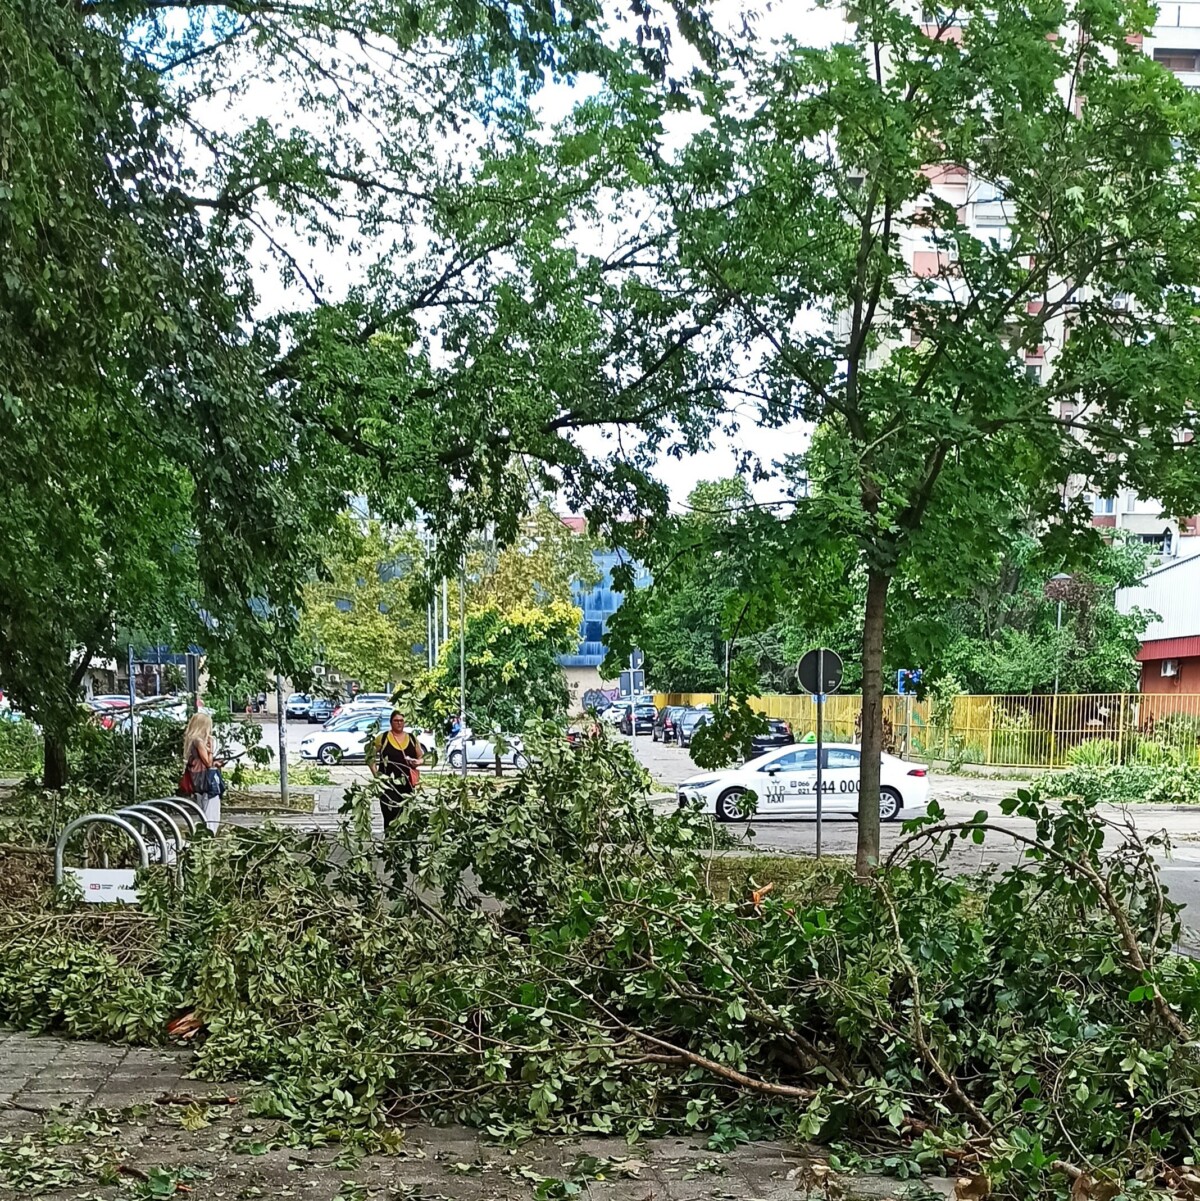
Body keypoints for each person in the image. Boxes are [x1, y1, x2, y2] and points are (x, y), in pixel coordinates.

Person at [368, 710, 423, 833]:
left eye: (401, 720)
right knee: (389, 817)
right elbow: (369, 757)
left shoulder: (412, 738)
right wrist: (376, 775)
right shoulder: (383, 738)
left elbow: (421, 757)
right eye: (396, 720)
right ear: (391, 722)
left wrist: (417, 762)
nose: (399, 723)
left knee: (405, 818)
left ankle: (403, 845)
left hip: (407, 786)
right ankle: (390, 846)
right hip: (388, 786)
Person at [182, 711, 223, 833]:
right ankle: (208, 837)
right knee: (211, 814)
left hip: (197, 780)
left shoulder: (191, 741)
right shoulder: (199, 741)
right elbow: (208, 763)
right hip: (206, 781)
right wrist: (211, 749)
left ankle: (204, 836)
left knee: (203, 810)